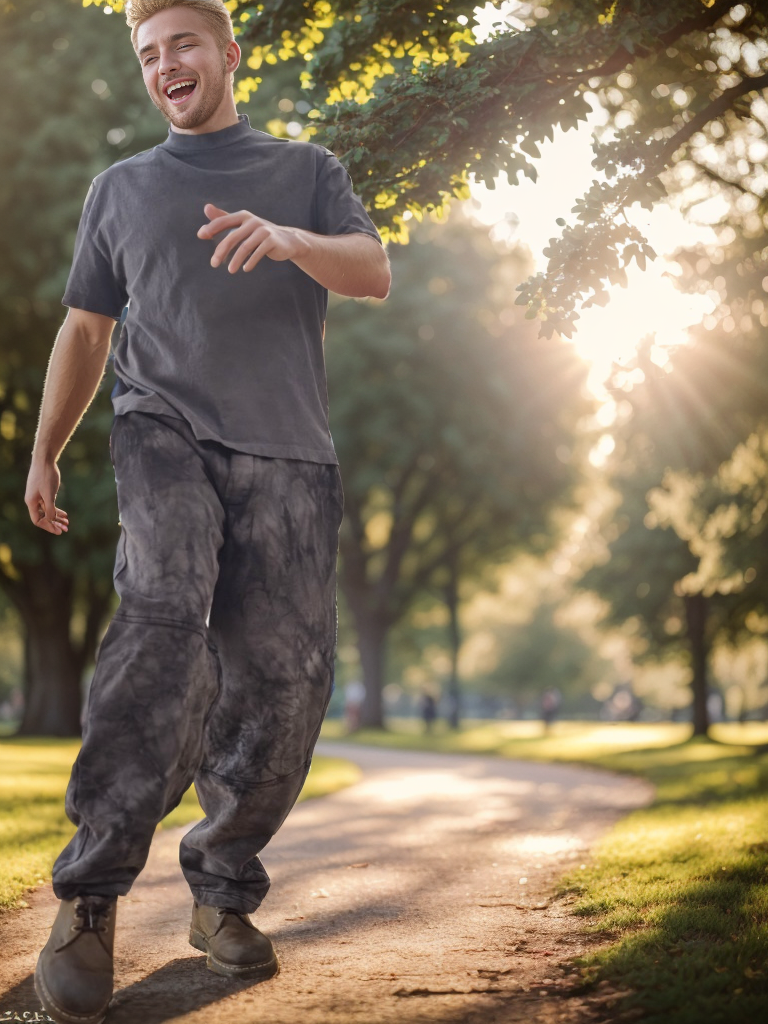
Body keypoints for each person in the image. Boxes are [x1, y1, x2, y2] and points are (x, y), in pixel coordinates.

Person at [24, 2, 390, 1022]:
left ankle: (221, 887)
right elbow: (88, 330)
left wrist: (288, 239)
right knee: (163, 609)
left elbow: (373, 272)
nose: (164, 63)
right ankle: (89, 898)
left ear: (230, 53)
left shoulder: (306, 170)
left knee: (286, 680)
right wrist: (44, 450)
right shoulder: (121, 190)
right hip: (161, 430)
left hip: (290, 453)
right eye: (147, 54)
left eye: (181, 42)